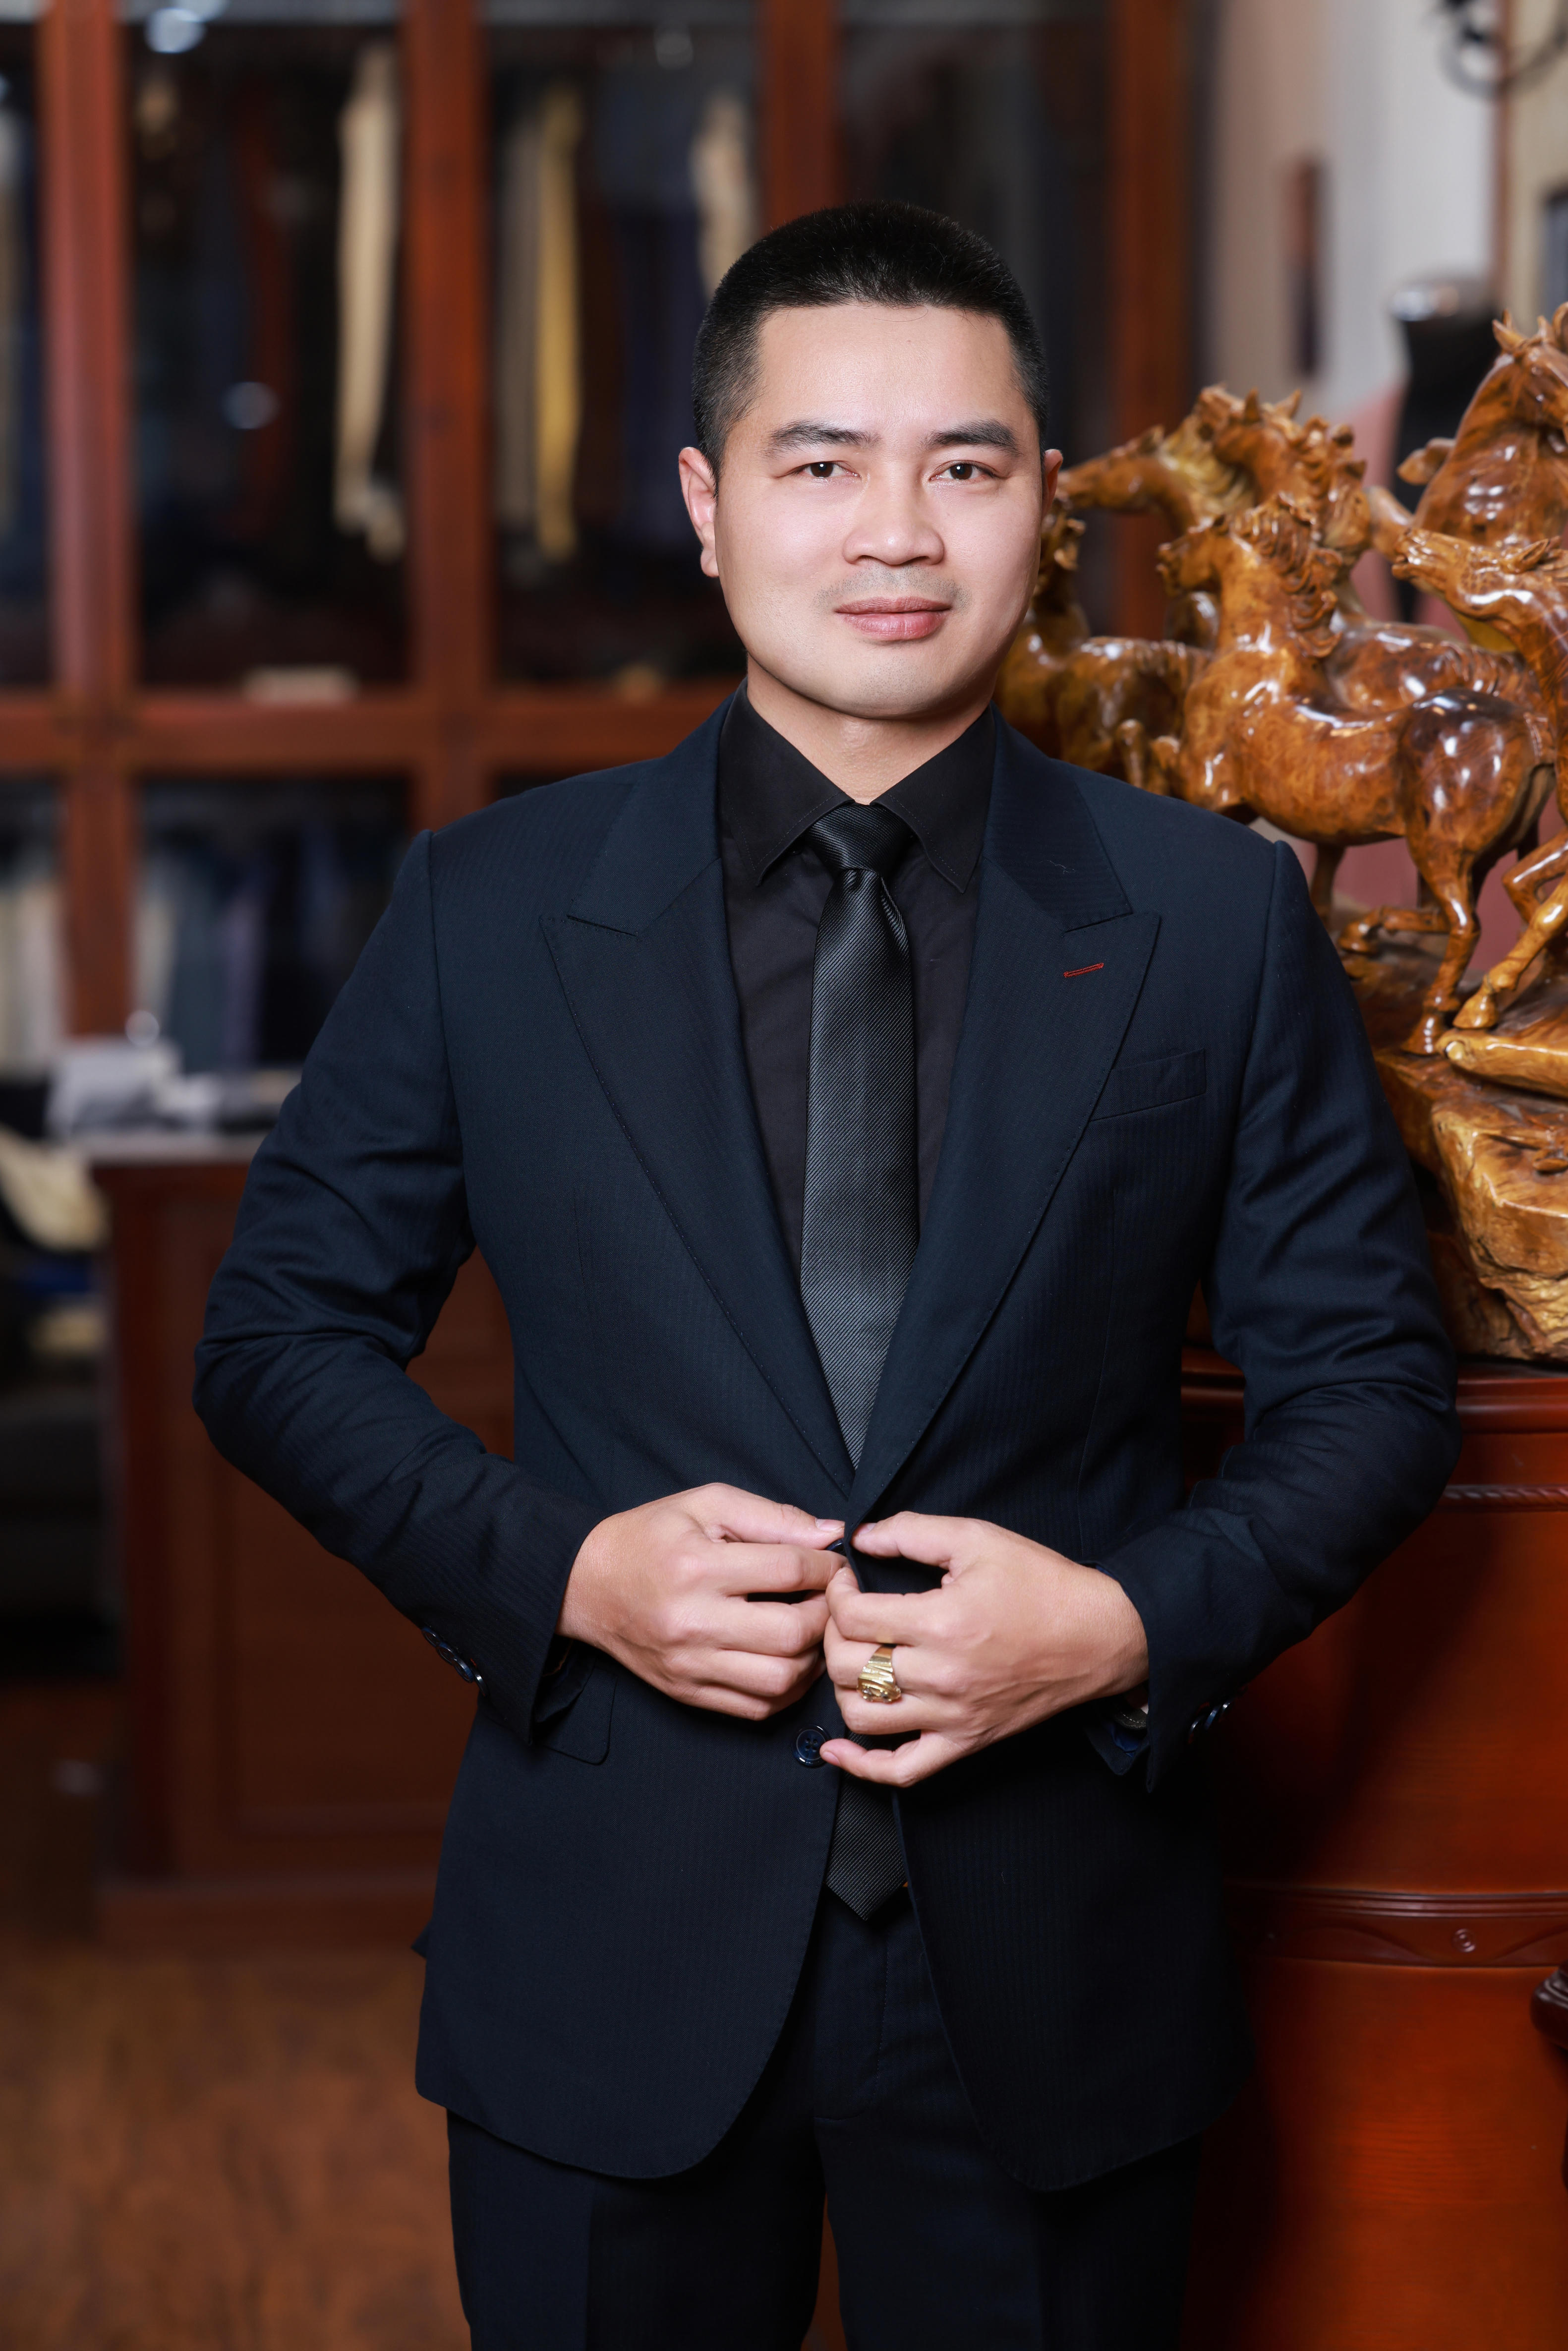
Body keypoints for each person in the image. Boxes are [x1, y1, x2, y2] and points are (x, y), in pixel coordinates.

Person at [194, 201, 1460, 2349]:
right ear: (706, 506)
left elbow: (1368, 1389)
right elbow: (275, 1338)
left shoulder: (1214, 920)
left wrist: (1123, 1626)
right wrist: (565, 1575)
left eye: (965, 464)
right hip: (610, 1942)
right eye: (820, 462)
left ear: (1043, 504)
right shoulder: (491, 908)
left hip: (1055, 1950)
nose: (897, 531)